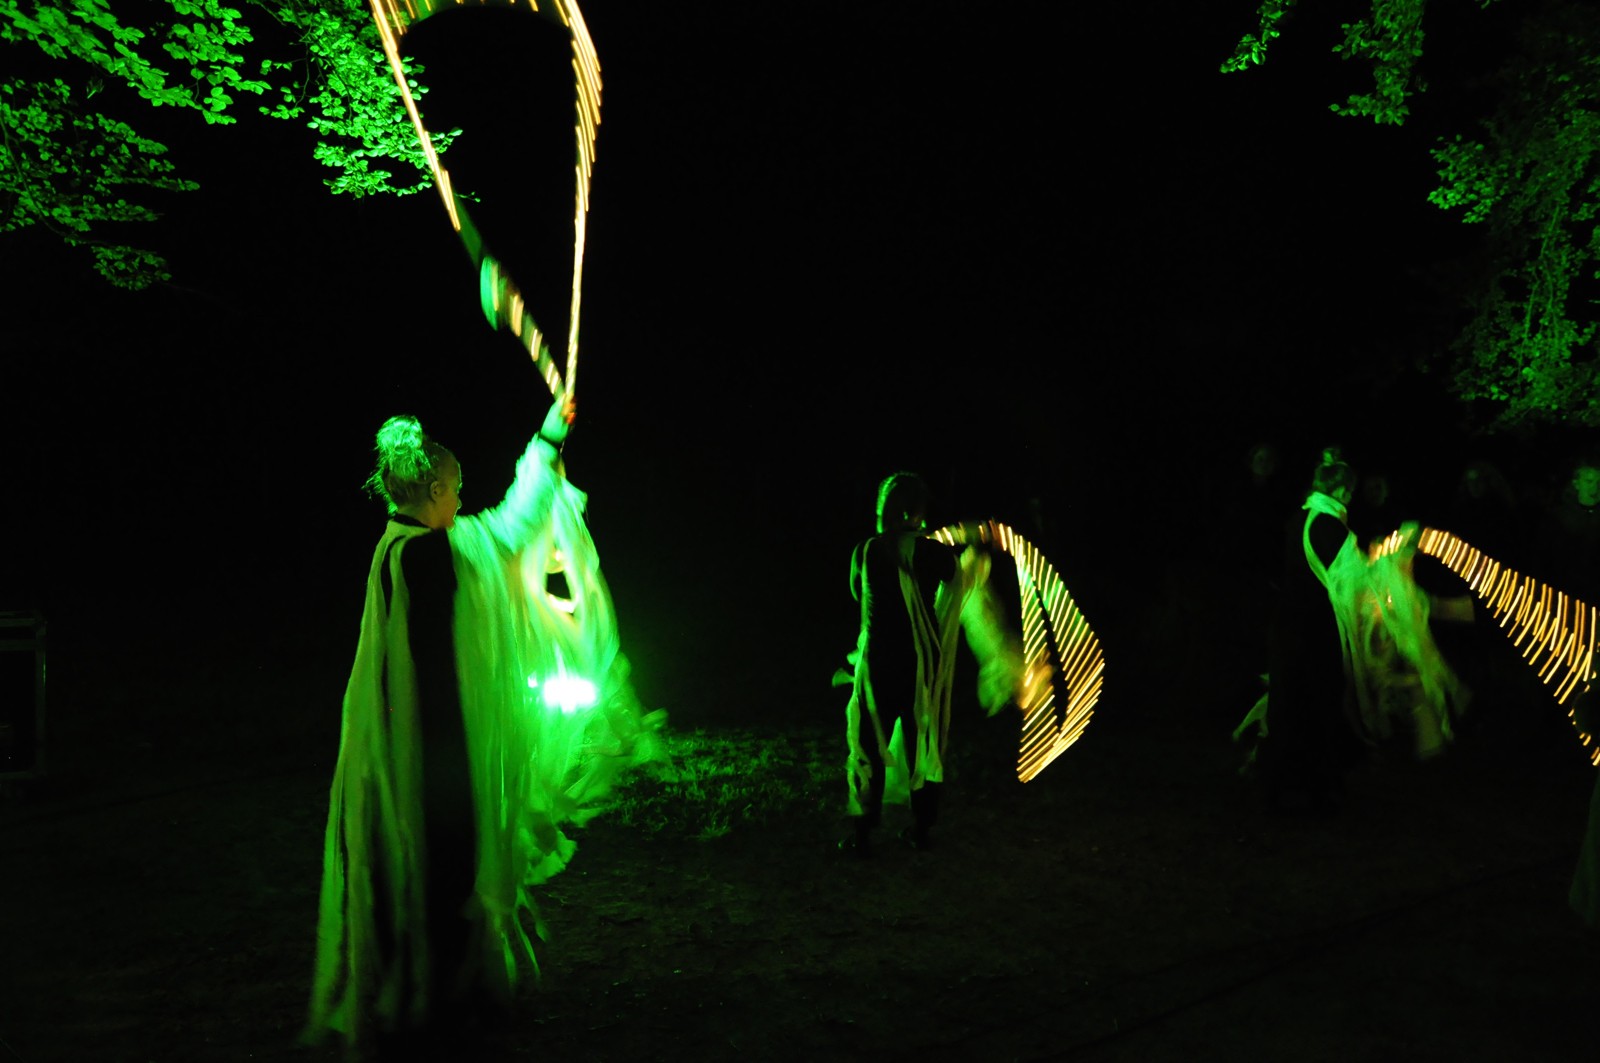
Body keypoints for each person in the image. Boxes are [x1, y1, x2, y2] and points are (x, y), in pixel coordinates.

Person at [306, 395, 661, 1056]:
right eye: (458, 491)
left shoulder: (404, 548)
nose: (462, 502)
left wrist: (549, 437)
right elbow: (504, 537)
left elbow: (498, 532)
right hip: (434, 762)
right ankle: (439, 1005)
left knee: (438, 875)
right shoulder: (424, 558)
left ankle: (443, 992)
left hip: (425, 755)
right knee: (446, 875)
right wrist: (547, 446)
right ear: (436, 489)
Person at [839, 473, 1017, 854]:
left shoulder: (866, 551)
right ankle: (921, 829)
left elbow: (858, 594)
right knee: (924, 743)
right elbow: (960, 581)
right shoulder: (932, 553)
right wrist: (974, 551)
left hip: (879, 666)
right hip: (920, 666)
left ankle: (862, 833)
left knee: (870, 742)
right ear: (915, 513)